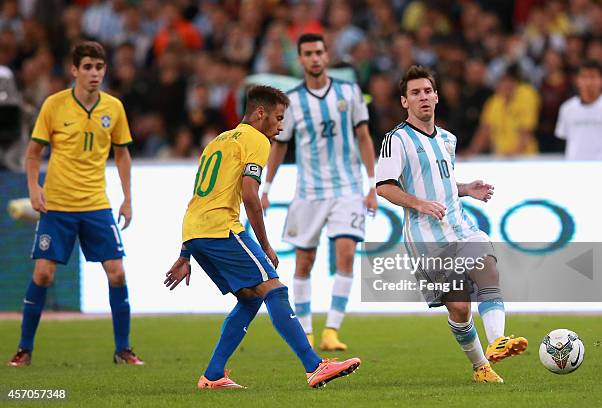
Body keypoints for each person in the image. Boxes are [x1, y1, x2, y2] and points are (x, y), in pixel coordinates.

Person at [164, 85, 360, 389]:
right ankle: (314, 365)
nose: (281, 126)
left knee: (250, 298)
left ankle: (214, 374)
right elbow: (250, 196)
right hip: (221, 228)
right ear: (260, 113)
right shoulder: (256, 140)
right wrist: (266, 244)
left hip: (195, 230)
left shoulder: (218, 140)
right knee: (274, 288)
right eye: (279, 118)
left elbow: (201, 197)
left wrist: (186, 252)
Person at [375, 65, 528, 383]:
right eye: (415, 93)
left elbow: (440, 181)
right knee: (459, 308)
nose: (423, 97)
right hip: (425, 237)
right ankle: (480, 367)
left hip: (460, 225)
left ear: (437, 96)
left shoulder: (448, 139)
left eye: (427, 91)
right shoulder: (396, 140)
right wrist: (419, 203)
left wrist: (465, 189)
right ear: (405, 102)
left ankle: (498, 340)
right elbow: (384, 186)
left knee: (487, 266)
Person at [8, 41, 143, 366]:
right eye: (87, 67)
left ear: (104, 70)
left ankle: (123, 349)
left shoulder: (114, 108)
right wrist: (33, 188)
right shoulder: (54, 105)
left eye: (99, 67)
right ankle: (24, 349)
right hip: (58, 205)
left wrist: (127, 197)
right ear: (74, 70)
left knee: (117, 273)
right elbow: (33, 152)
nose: (94, 73)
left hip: (96, 204)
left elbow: (122, 153)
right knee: (43, 274)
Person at [261, 33, 378, 351]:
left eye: (319, 52)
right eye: (308, 53)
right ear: (300, 59)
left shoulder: (349, 91)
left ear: (327, 56)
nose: (314, 58)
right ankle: (308, 333)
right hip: (309, 192)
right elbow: (280, 146)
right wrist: (266, 188)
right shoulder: (292, 101)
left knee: (347, 253)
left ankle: (331, 332)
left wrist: (371, 186)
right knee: (303, 263)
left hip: (347, 188)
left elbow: (364, 138)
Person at [555, 60, 602, 160]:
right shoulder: (567, 108)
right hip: (575, 166)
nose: (589, 82)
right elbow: (563, 137)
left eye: (593, 77)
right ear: (577, 80)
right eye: (584, 77)